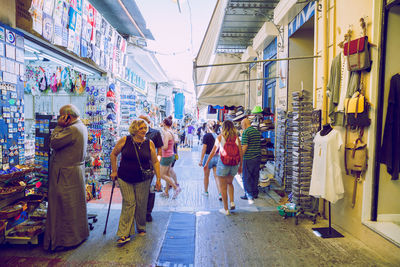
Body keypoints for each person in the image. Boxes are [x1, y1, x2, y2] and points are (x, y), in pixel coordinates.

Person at [44, 104, 89, 251]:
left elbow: (53, 142)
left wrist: (58, 127)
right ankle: (78, 235)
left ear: (67, 117)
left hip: (65, 174)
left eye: (60, 116)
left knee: (62, 207)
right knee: (75, 205)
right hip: (74, 171)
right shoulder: (81, 126)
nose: (59, 118)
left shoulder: (71, 129)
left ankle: (64, 240)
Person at [110, 118, 161, 245]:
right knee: (129, 202)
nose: (144, 130)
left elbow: (155, 161)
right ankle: (124, 233)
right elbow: (113, 154)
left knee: (141, 202)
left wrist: (159, 178)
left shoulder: (149, 143)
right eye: (141, 128)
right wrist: (114, 171)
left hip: (143, 178)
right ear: (134, 129)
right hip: (124, 177)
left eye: (145, 128)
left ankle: (141, 226)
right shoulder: (125, 140)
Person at [204, 120, 243, 215]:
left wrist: (207, 163)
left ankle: (226, 209)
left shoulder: (220, 137)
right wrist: (241, 165)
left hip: (223, 164)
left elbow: (213, 151)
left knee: (223, 187)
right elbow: (241, 152)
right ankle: (232, 202)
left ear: (223, 128)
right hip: (234, 164)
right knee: (230, 183)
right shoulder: (236, 138)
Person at [139, 115, 163, 222]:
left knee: (150, 190)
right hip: (137, 166)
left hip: (150, 166)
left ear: (148, 122)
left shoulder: (155, 133)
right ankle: (139, 211)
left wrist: (156, 162)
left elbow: (160, 150)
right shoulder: (135, 132)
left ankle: (148, 212)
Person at [240, 118, 261, 203]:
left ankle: (248, 194)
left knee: (246, 177)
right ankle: (255, 193)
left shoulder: (246, 132)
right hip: (257, 157)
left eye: (242, 125)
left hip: (249, 157)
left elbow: (244, 146)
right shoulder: (256, 131)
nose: (242, 127)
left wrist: (240, 157)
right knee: (255, 176)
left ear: (244, 124)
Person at [160, 116, 181, 198]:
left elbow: (165, 147)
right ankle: (166, 192)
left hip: (166, 156)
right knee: (167, 174)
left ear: (164, 123)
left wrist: (158, 146)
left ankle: (176, 188)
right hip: (171, 155)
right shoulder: (171, 132)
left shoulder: (166, 133)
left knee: (162, 175)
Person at [199, 123, 221, 200]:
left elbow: (204, 148)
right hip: (217, 157)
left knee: (206, 176)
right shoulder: (219, 135)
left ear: (208, 128)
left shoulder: (206, 136)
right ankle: (220, 193)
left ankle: (206, 192)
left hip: (208, 157)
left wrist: (201, 160)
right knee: (216, 176)